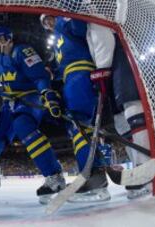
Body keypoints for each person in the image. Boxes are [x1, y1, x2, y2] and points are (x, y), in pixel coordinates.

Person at [0, 26, 66, 204]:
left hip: (29, 97)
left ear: (5, 38)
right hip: (9, 102)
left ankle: (54, 176)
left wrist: (47, 93)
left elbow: (39, 76)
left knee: (23, 127)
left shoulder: (22, 51)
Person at [40, 15, 112, 202]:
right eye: (44, 22)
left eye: (49, 17)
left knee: (79, 122)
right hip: (69, 79)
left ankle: (93, 176)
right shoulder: (57, 37)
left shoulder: (64, 22)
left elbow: (80, 26)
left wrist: (69, 10)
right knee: (75, 126)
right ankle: (93, 175)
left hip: (80, 72)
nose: (48, 23)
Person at [84, 20, 152, 199]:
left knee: (132, 107)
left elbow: (103, 38)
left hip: (120, 58)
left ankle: (145, 169)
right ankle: (140, 168)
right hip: (115, 61)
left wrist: (102, 68)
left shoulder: (92, 15)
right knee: (121, 121)